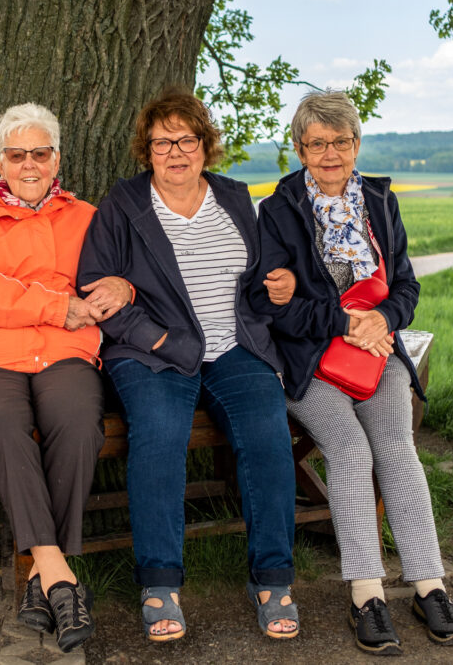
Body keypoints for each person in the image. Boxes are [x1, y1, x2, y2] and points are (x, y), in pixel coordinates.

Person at [77, 86, 300, 643]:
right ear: (145, 151)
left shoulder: (234, 197)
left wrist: (280, 287)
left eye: (186, 140)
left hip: (231, 346)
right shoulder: (124, 205)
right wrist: (149, 336)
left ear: (205, 145)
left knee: (269, 432)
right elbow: (94, 290)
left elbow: (264, 272)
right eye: (161, 143)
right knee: (159, 434)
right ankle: (160, 584)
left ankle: (273, 578)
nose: (175, 152)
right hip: (153, 351)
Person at [250, 90, 453, 654]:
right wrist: (347, 322)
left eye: (341, 141)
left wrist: (383, 322)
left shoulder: (378, 200)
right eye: (317, 143)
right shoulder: (277, 212)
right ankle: (366, 594)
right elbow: (276, 305)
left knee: (396, 445)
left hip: (376, 356)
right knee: (350, 450)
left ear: (356, 144)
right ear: (300, 149)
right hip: (312, 362)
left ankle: (428, 584)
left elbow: (407, 287)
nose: (330, 154)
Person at [0, 103, 105, 653]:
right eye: (17, 154)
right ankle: (60, 571)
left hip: (63, 351)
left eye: (40, 153)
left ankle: (40, 577)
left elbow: (106, 278)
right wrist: (56, 305)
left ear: (56, 158)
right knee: (5, 427)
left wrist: (115, 291)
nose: (29, 164)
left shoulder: (85, 215)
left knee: (80, 423)